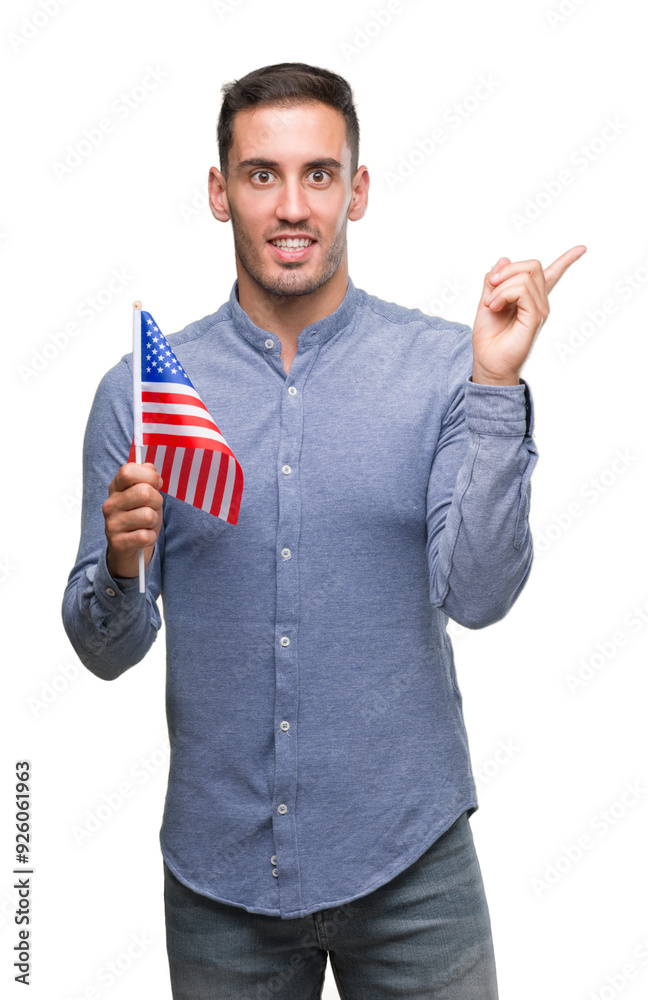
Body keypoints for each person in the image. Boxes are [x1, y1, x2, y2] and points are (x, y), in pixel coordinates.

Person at [62, 61, 586, 1000]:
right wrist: (121, 563)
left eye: (319, 173)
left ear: (358, 189)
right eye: (262, 174)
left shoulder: (446, 371)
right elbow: (107, 652)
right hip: (220, 883)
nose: (292, 205)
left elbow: (479, 596)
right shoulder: (147, 395)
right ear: (221, 193)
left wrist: (498, 388)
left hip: (413, 867)